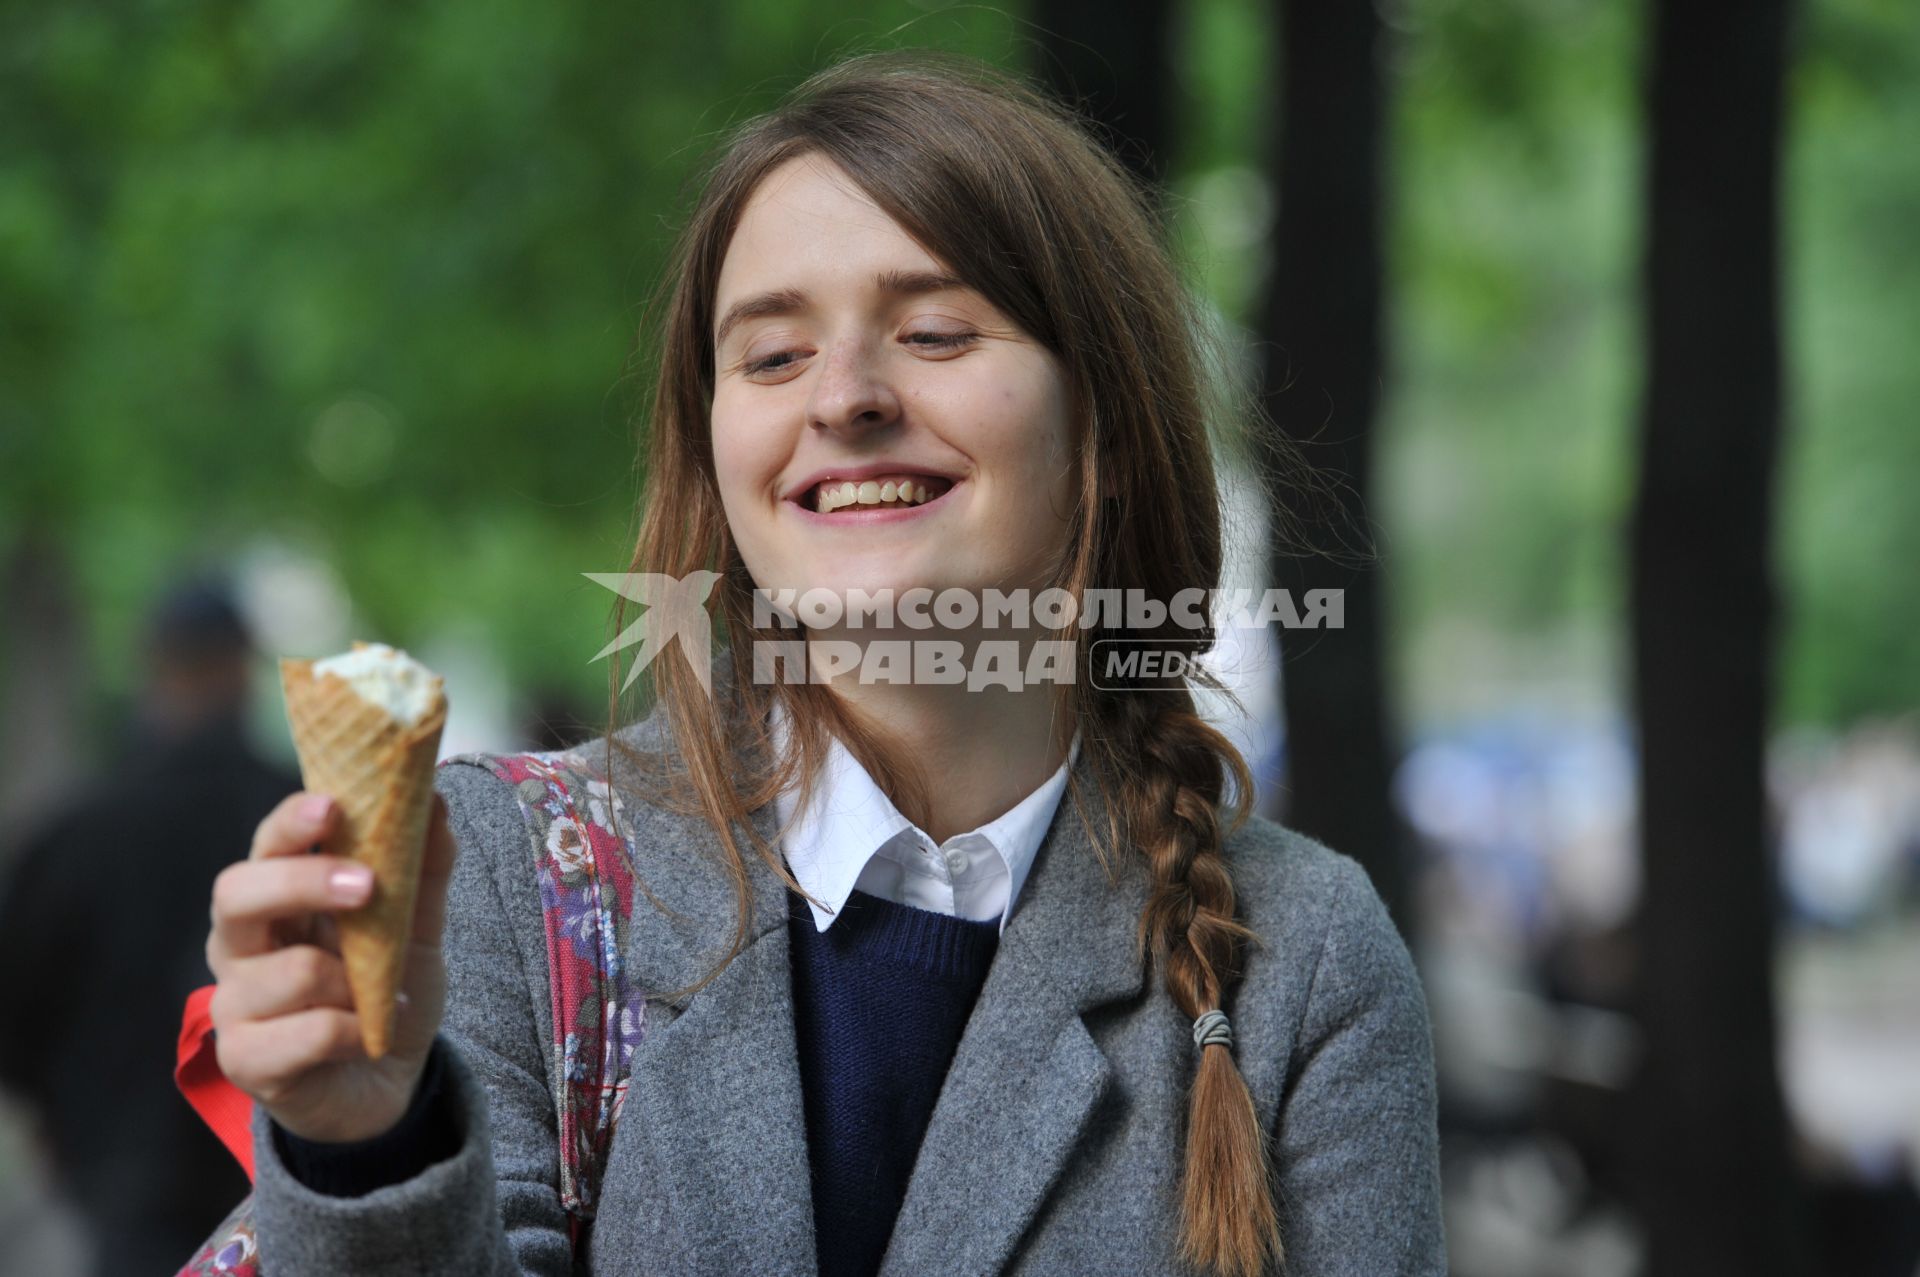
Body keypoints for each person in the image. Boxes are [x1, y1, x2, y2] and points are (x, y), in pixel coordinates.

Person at [198, 50, 1444, 1276]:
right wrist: (367, 1150)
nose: (843, 396)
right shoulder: (513, 883)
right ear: (719, 452)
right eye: (773, 355)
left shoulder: (1303, 957)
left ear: (1103, 426)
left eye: (937, 331)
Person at [0, 574, 296, 1275]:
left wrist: (57, 1114)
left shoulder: (79, 830)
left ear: (157, 666)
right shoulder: (301, 814)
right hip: (274, 1173)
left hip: (116, 1177)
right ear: (242, 667)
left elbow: (14, 1009)